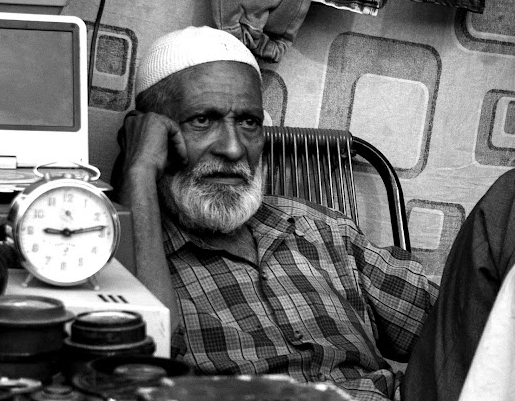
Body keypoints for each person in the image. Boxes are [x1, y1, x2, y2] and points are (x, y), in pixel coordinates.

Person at [112, 26, 515, 401]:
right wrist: (139, 170)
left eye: (249, 123)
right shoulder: (119, 252)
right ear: (147, 133)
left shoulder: (319, 229)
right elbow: (139, 362)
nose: (234, 149)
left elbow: (458, 326)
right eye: (203, 120)